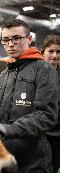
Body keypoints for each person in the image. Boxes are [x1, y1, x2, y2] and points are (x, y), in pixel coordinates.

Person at [0, 19, 58, 173]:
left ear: (28, 39)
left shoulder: (44, 69)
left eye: (16, 38)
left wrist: (8, 129)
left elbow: (46, 115)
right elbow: (3, 114)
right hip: (5, 157)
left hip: (32, 161)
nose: (10, 43)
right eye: (6, 40)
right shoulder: (4, 73)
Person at [41, 34, 60, 173]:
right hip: (40, 137)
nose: (54, 55)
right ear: (43, 52)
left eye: (58, 51)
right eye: (51, 51)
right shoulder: (34, 74)